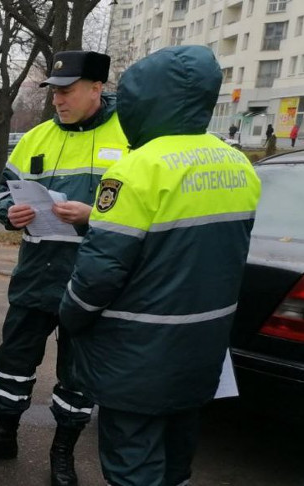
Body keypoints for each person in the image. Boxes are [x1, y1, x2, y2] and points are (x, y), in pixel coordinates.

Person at [59, 45, 261, 486]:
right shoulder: (239, 165)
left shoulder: (136, 170)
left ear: (142, 101)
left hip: (137, 357)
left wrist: (70, 315)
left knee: (133, 466)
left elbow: (98, 273)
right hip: (202, 348)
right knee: (177, 460)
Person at [0, 50, 129, 486]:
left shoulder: (130, 137)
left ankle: (62, 454)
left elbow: (142, 211)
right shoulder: (35, 138)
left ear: (97, 88)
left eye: (67, 91)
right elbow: (3, 194)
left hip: (91, 280)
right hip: (37, 273)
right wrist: (9, 213)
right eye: (54, 92)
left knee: (77, 372)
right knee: (12, 361)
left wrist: (93, 216)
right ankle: (4, 435)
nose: (57, 101)